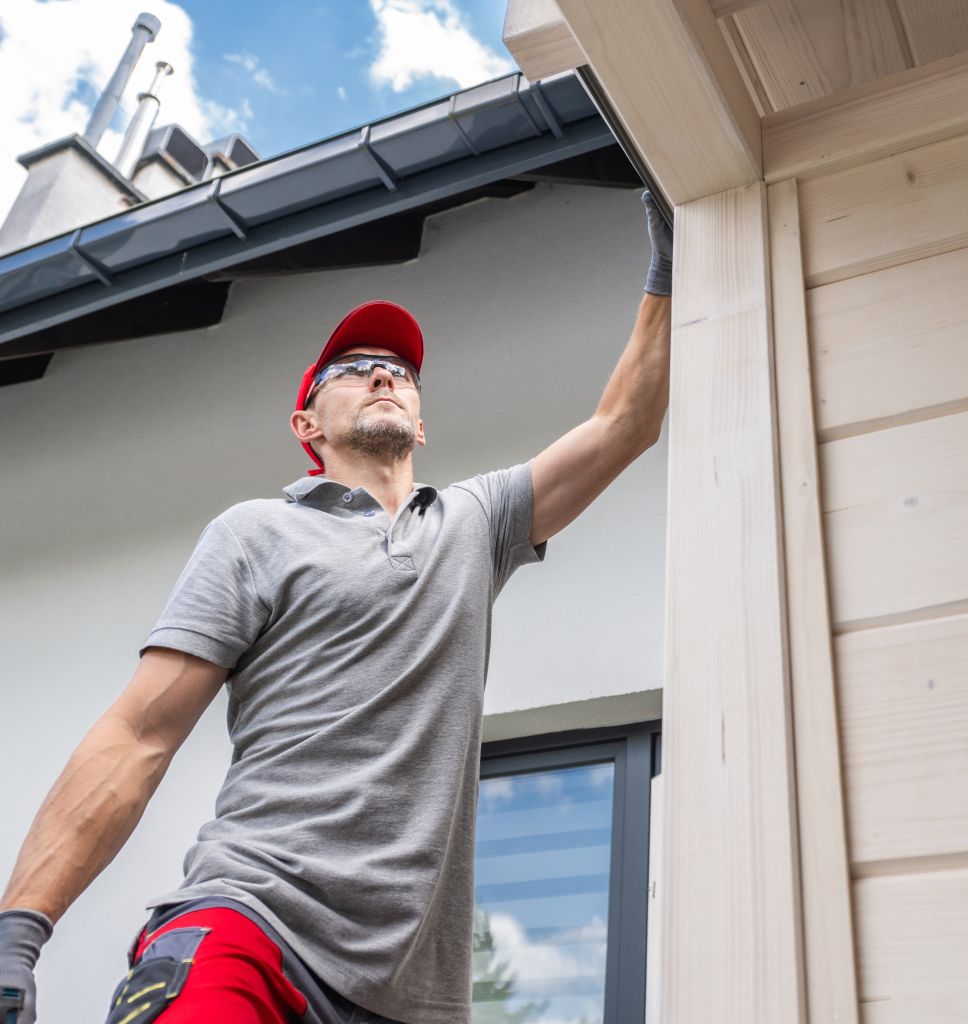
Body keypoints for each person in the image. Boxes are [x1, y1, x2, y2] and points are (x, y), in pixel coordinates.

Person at [0, 191, 673, 1024]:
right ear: (306, 422)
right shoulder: (256, 532)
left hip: (415, 1000)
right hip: (250, 923)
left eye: (399, 371)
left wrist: (669, 257)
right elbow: (139, 734)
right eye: (351, 369)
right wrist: (16, 938)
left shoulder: (474, 521)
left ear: (420, 425)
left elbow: (625, 424)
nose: (383, 373)